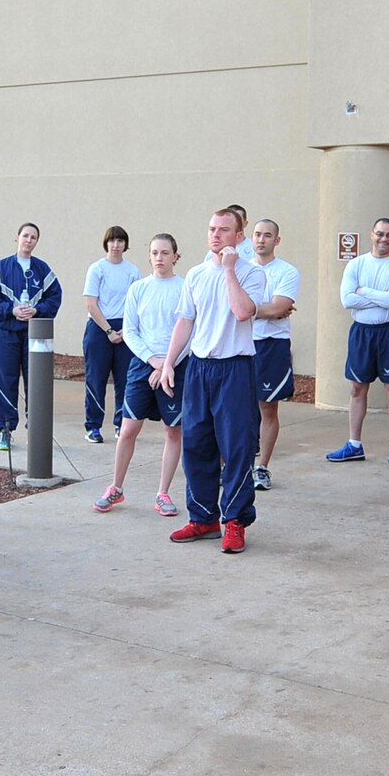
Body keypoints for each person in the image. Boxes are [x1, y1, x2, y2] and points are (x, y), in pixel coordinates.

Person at [164, 208, 270, 552]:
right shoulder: (194, 274)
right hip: (199, 368)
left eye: (224, 230)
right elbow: (185, 321)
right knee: (196, 444)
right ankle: (204, 517)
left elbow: (242, 311)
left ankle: (235, 520)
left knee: (237, 447)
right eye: (212, 229)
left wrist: (228, 270)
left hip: (235, 368)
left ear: (240, 236)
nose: (216, 235)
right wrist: (168, 364)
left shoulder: (251, 274)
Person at [92, 233, 186, 516]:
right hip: (143, 366)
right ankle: (116, 488)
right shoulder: (139, 288)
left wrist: (167, 364)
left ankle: (163, 493)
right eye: (155, 253)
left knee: (173, 431)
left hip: (176, 366)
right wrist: (153, 361)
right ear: (149, 256)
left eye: (165, 253)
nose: (159, 258)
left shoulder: (185, 288)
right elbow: (130, 331)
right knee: (129, 429)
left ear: (175, 256)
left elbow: (189, 331)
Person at [329, 218, 389, 467]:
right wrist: (386, 295)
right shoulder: (356, 264)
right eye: (379, 234)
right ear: (371, 235)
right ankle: (354, 444)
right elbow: (347, 300)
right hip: (361, 333)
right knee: (357, 388)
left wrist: (364, 292)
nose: (384, 239)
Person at [0, 222, 62, 451]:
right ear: (16, 237)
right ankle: (5, 430)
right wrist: (11, 310)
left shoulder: (42, 269)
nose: (29, 240)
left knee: (36, 381)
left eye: (33, 237)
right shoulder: (1, 268)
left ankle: (35, 429)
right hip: (6, 333)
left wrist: (37, 311)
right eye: (25, 236)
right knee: (4, 381)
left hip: (34, 335)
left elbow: (55, 297)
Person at [249, 219, 300, 490]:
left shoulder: (287, 272)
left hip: (272, 346)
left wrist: (248, 309)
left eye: (267, 235)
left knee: (268, 408)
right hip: (242, 345)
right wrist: (266, 309)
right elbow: (268, 309)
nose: (261, 240)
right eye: (257, 234)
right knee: (238, 409)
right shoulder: (240, 270)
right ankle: (234, 466)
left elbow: (280, 307)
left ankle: (262, 467)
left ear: (276, 240)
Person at [81, 225, 142, 444]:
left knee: (125, 380)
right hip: (99, 328)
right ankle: (93, 426)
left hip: (125, 329)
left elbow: (136, 305)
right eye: (112, 241)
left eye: (120, 241)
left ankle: (120, 424)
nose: (116, 245)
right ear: (106, 243)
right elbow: (91, 304)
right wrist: (108, 331)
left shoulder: (133, 271)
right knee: (96, 379)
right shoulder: (97, 269)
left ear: (125, 244)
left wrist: (126, 331)